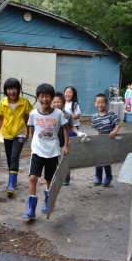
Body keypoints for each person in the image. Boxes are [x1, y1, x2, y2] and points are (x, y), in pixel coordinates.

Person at [23, 83, 69, 219]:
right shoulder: (33, 114)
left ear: (52, 97)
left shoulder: (58, 113)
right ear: (38, 98)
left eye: (48, 96)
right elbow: (32, 129)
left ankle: (47, 202)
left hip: (53, 151)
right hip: (37, 150)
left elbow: (66, 128)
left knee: (49, 179)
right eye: (42, 96)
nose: (45, 99)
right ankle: (31, 209)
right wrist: (32, 142)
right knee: (33, 177)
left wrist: (66, 145)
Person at [0, 78, 33, 196]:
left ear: (18, 90)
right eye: (9, 89)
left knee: (14, 157)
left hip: (20, 133)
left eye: (14, 88)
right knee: (9, 158)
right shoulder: (2, 103)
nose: (11, 91)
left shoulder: (24, 102)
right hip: (7, 133)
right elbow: (0, 120)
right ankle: (13, 179)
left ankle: (10, 186)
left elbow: (27, 118)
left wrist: (28, 133)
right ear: (5, 90)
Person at [51, 92, 86, 196]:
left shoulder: (67, 115)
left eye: (58, 102)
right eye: (54, 102)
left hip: (63, 142)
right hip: (52, 142)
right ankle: (55, 178)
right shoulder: (49, 114)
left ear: (63, 103)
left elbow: (72, 127)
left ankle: (66, 177)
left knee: (64, 160)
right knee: (54, 161)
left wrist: (79, 133)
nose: (56, 104)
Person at [91, 94, 121, 187]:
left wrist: (114, 131)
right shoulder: (95, 117)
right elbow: (95, 129)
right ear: (95, 104)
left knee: (106, 160)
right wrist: (96, 135)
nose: (100, 104)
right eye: (98, 102)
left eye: (102, 102)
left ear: (106, 103)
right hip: (99, 142)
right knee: (98, 159)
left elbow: (118, 123)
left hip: (109, 142)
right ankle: (98, 177)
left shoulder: (111, 114)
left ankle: (108, 176)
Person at [63, 86, 81, 185]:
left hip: (73, 128)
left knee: (68, 152)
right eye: (66, 92)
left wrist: (67, 116)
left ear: (73, 94)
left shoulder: (75, 104)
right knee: (62, 152)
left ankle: (67, 176)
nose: (68, 94)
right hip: (62, 127)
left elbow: (78, 115)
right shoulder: (61, 103)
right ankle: (64, 175)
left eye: (70, 93)